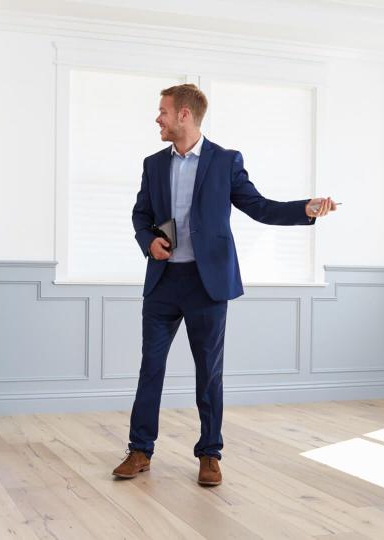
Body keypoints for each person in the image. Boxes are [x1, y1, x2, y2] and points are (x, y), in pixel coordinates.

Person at [112, 84, 337, 486]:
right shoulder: (153, 164)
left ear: (184, 115)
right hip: (163, 284)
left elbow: (260, 207)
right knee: (151, 368)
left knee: (209, 373)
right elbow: (140, 214)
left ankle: (210, 454)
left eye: (162, 111)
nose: (157, 119)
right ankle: (140, 449)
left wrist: (305, 209)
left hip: (207, 285)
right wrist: (149, 242)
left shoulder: (224, 161)